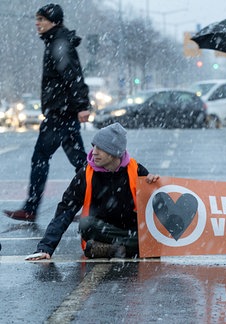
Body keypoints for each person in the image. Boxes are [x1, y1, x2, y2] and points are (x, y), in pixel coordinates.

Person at [4, 4, 92, 222]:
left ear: (54, 22)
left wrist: (82, 105)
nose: (38, 23)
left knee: (41, 158)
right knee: (81, 162)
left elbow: (73, 77)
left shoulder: (59, 44)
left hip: (60, 114)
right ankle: (97, 203)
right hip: (62, 112)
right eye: (37, 19)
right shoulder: (56, 42)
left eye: (42, 19)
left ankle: (32, 207)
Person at [25, 123, 160, 260]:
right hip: (101, 230)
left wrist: (154, 188)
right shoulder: (85, 174)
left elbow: (157, 209)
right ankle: (128, 248)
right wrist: (45, 247)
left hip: (131, 230)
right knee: (85, 224)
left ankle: (113, 249)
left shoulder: (136, 170)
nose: (94, 152)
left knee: (151, 239)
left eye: (100, 148)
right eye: (94, 146)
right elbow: (65, 209)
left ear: (115, 153)